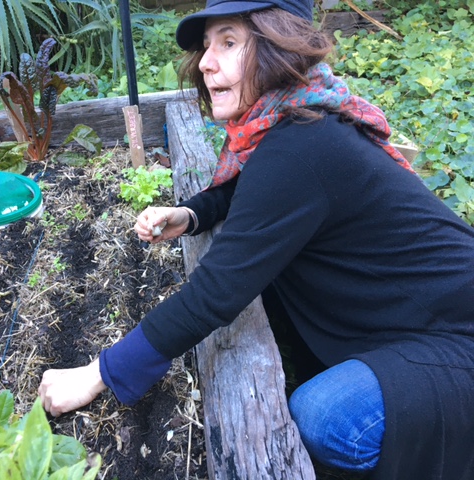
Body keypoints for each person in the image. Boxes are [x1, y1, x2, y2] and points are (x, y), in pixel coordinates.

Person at [39, 1, 474, 478]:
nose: (206, 62)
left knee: (327, 417)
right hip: (418, 320)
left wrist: (98, 373)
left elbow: (215, 293)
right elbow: (250, 188)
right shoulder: (298, 119)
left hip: (457, 339)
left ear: (278, 47)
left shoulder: (300, 147)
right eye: (207, 46)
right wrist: (192, 213)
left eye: (229, 42)